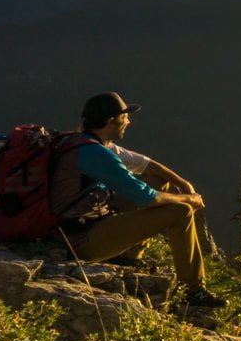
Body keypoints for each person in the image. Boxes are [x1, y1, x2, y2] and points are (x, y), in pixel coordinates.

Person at [52, 92, 223, 308]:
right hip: (81, 240)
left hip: (78, 224)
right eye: (125, 117)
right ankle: (194, 290)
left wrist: (182, 183)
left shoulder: (84, 143)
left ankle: (129, 257)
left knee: (159, 181)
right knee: (181, 212)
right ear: (110, 122)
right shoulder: (97, 155)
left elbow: (146, 165)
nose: (129, 122)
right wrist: (188, 198)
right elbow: (146, 198)